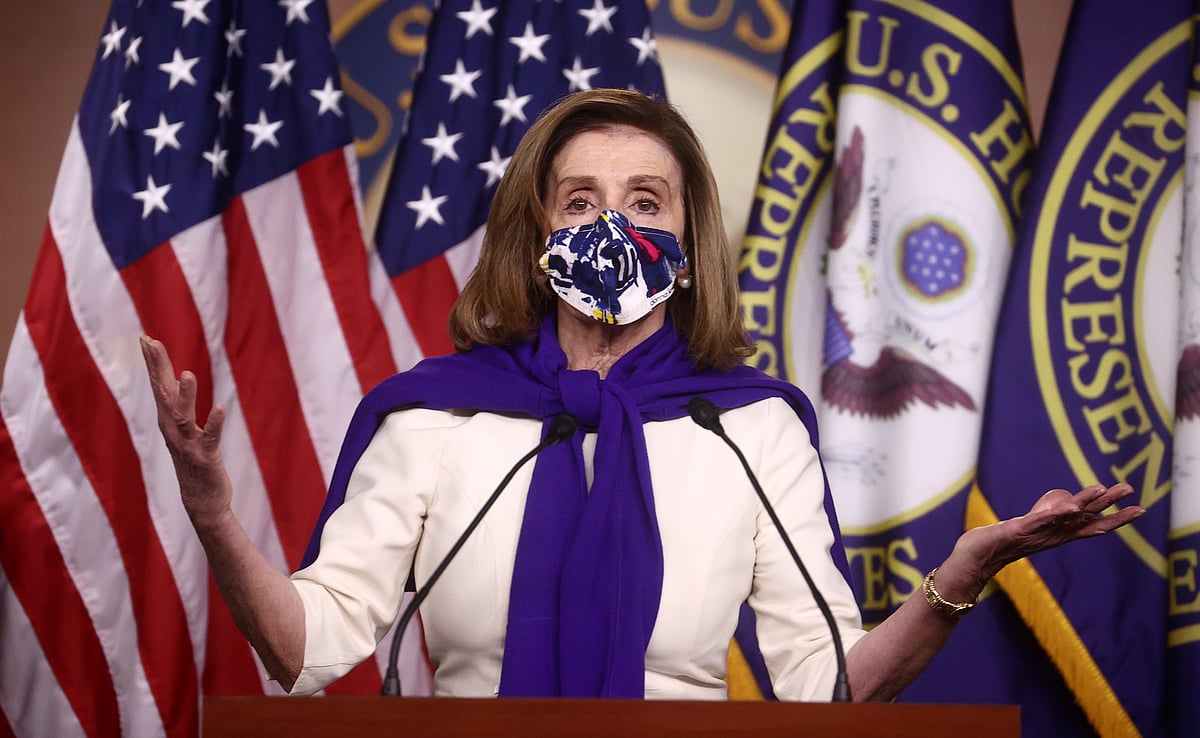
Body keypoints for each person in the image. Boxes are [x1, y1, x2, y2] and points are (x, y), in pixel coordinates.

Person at [140, 88, 1142, 701]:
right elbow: (303, 646)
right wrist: (216, 519)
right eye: (581, 201)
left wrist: (960, 575)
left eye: (644, 202)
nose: (611, 226)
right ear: (538, 239)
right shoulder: (435, 413)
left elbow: (825, 685)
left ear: (689, 245)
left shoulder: (751, 426)